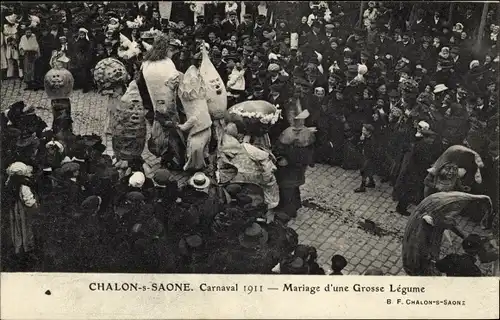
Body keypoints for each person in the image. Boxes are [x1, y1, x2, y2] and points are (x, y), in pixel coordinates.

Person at [274, 109, 316, 219]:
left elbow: (298, 152)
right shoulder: (306, 133)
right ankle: (296, 204)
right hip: (296, 166)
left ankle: (289, 210)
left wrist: (285, 158)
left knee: (287, 187)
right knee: (294, 187)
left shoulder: (299, 133)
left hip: (291, 167)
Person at [4, 162, 39, 270]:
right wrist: (35, 205)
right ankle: (27, 250)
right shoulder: (24, 186)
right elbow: (29, 201)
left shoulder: (10, 184)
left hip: (15, 210)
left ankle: (18, 248)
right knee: (26, 228)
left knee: (17, 229)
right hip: (23, 211)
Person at [354, 124, 377, 192]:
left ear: (368, 132)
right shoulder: (366, 137)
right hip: (366, 156)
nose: (362, 131)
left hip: (370, 158)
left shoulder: (372, 140)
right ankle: (371, 182)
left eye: (364, 130)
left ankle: (362, 187)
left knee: (364, 171)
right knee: (368, 170)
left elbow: (373, 152)